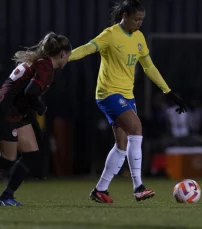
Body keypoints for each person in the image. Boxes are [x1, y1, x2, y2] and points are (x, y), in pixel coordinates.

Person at [69, 0, 186, 203]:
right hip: (108, 93)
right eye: (136, 19)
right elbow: (88, 48)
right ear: (124, 16)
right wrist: (64, 57)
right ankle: (138, 186)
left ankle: (100, 189)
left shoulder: (139, 37)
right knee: (136, 128)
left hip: (127, 95)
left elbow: (149, 67)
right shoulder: (110, 34)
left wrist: (168, 92)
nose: (139, 23)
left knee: (122, 145)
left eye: (142, 19)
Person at [0, 32, 72, 206]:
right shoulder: (44, 67)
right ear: (62, 54)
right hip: (6, 110)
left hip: (17, 110)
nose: (68, 59)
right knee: (8, 159)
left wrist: (34, 124)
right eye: (68, 55)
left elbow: (26, 98)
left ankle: (7, 197)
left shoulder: (41, 63)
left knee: (31, 153)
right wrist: (42, 108)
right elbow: (30, 93)